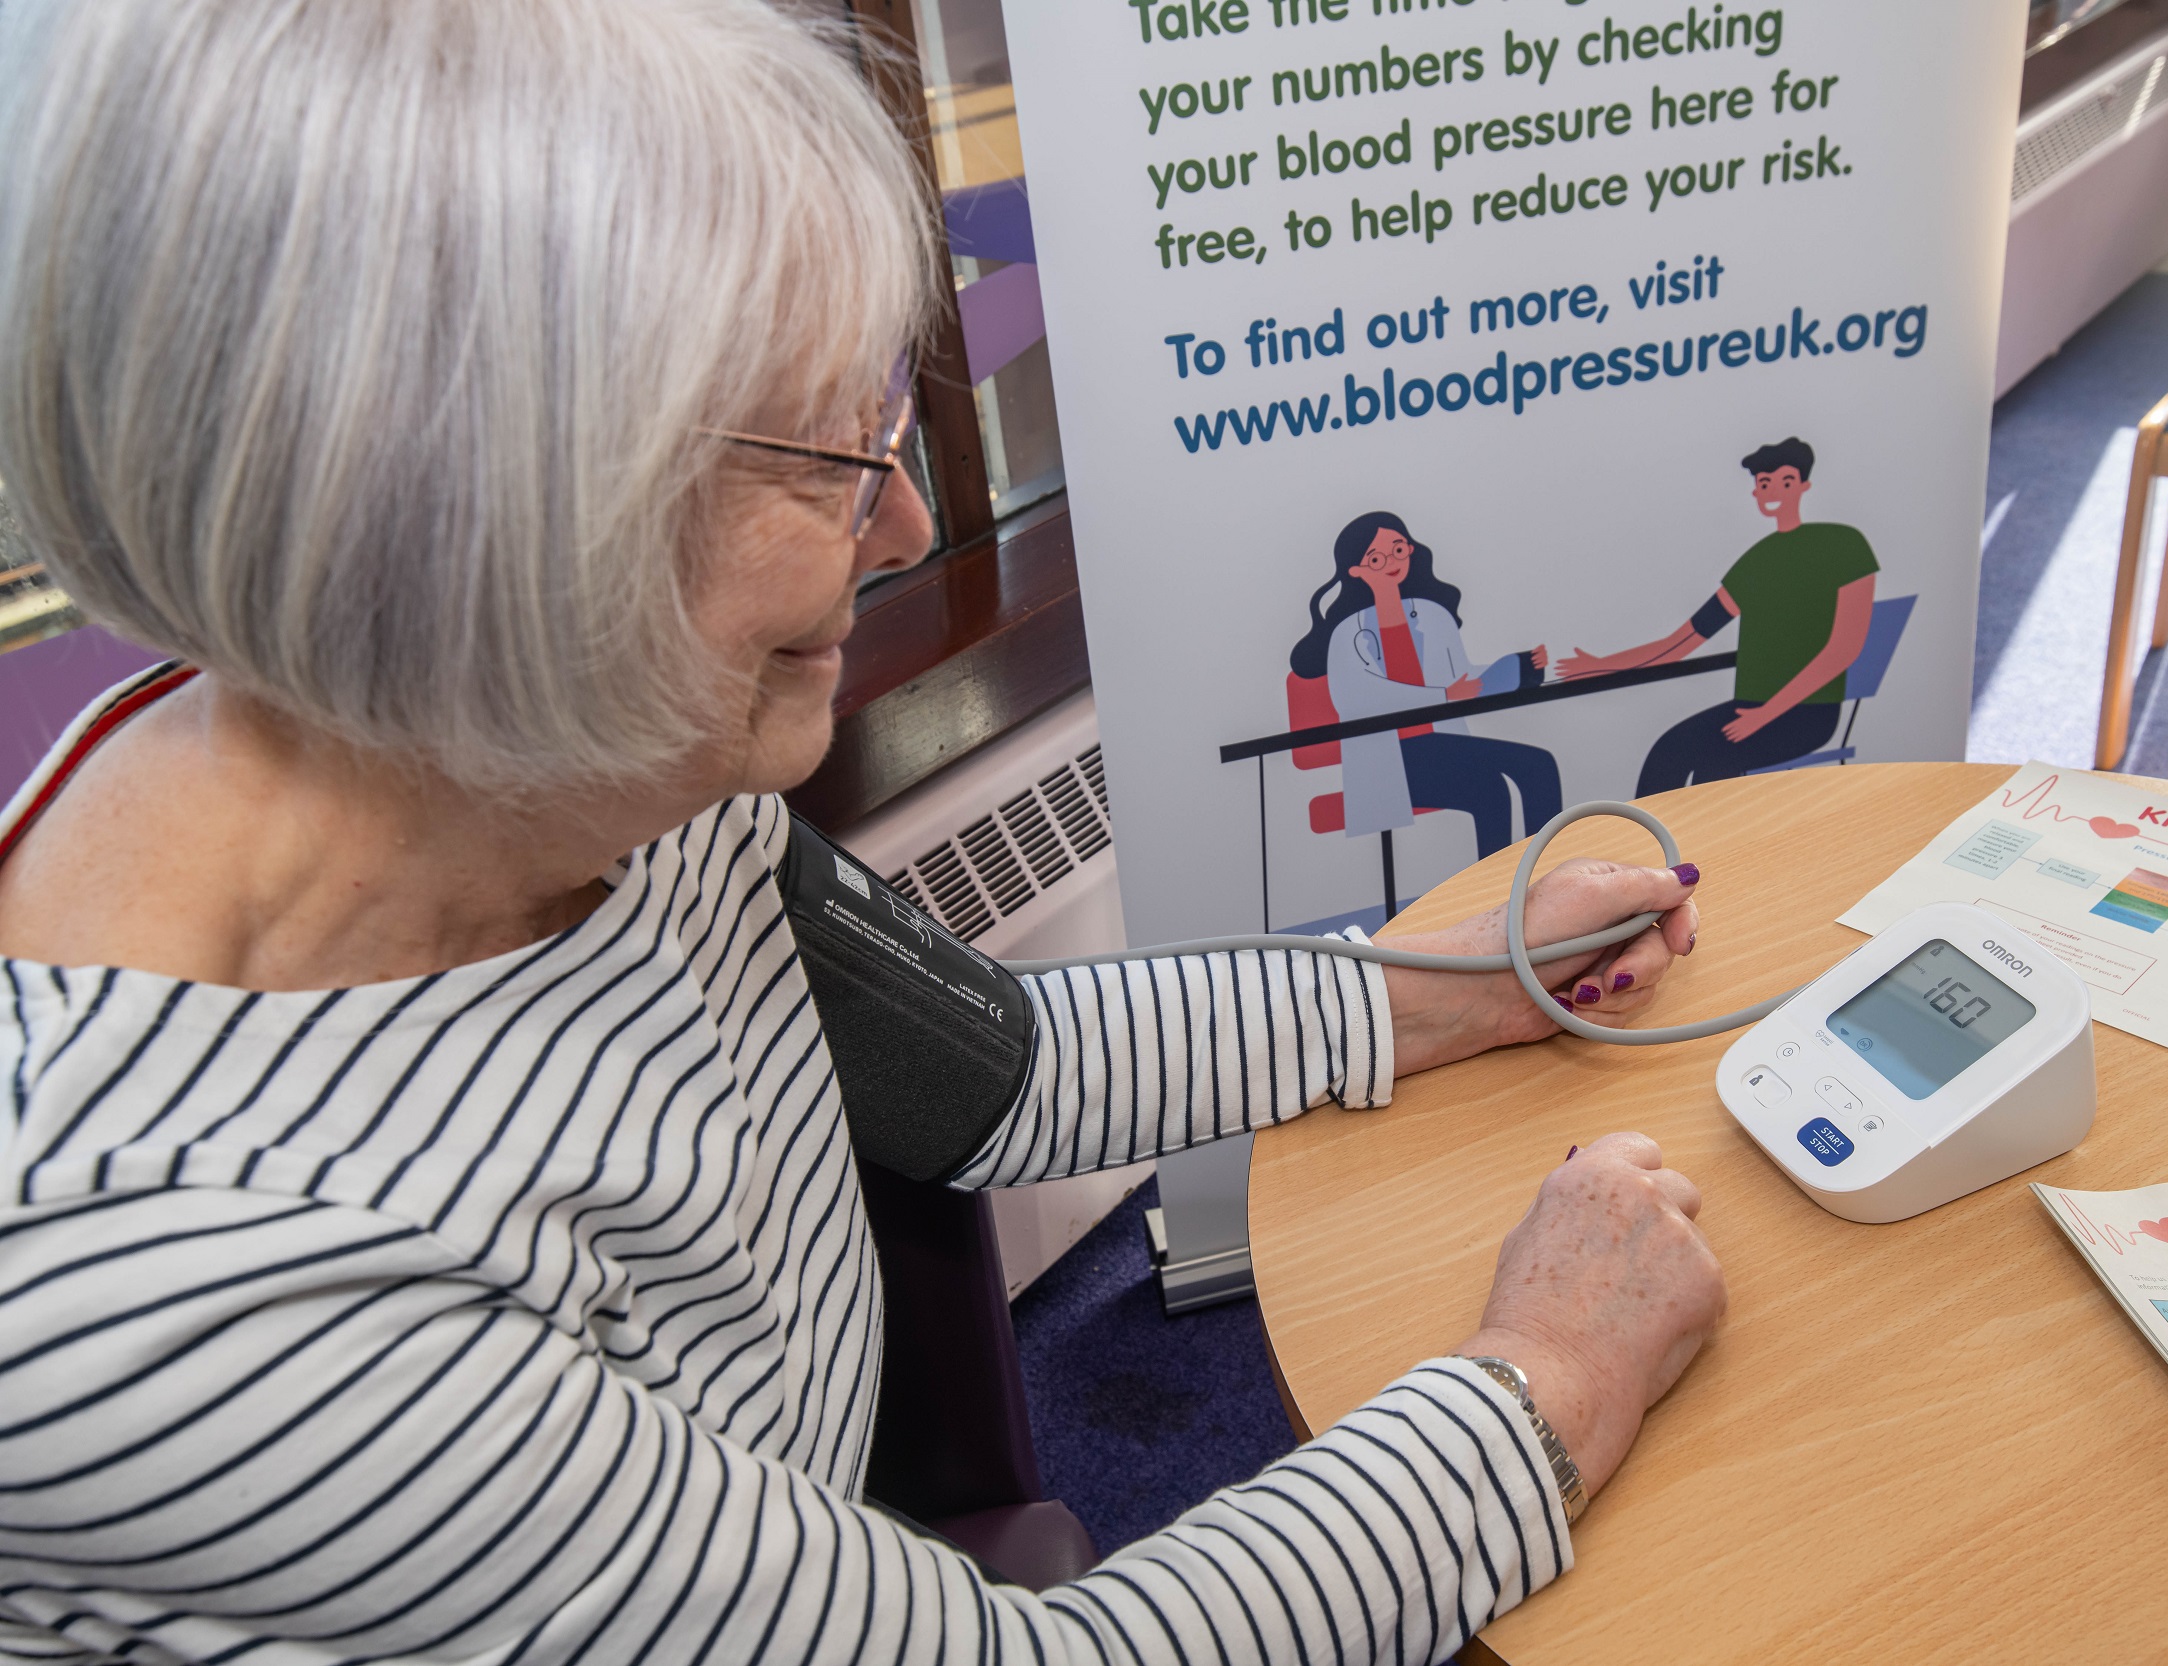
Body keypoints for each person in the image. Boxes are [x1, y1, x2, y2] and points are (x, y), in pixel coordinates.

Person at [0, 5, 1726, 1664]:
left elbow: (998, 1074)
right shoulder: (190, 1299)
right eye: (829, 456)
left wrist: (1476, 982)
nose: (902, 520)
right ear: (506, 531)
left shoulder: (542, 752)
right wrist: (1545, 1382)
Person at [1560, 437, 1879, 792]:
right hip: (1748, 708)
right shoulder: (1756, 562)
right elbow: (1680, 643)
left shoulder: (1845, 545)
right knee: (1666, 753)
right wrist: (1603, 664)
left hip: (1808, 713)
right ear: (1756, 494)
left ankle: (1713, 848)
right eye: (1764, 484)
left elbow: (1843, 649)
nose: (1773, 491)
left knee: (1714, 764)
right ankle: (1648, 847)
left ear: (1803, 485)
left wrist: (1764, 716)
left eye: (1786, 481)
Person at [1288, 511, 1562, 861]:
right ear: (1356, 571)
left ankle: (1545, 879)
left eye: (1399, 550)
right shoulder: (1347, 633)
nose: (1391, 563)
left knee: (1528, 771)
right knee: (1505, 782)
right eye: (1376, 558)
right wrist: (1444, 696)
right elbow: (1357, 699)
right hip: (1390, 758)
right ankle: (1504, 892)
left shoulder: (1431, 615)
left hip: (1441, 745)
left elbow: (1463, 678)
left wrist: (1521, 670)